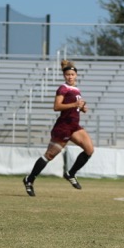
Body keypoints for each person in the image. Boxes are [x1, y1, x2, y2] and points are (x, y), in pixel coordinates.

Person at [22, 60, 94, 196]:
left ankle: (70, 173)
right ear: (64, 76)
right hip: (64, 127)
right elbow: (57, 106)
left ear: (76, 75)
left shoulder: (76, 89)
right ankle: (29, 179)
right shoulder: (63, 88)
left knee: (89, 150)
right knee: (49, 156)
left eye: (72, 74)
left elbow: (75, 106)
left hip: (74, 126)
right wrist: (74, 105)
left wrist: (82, 108)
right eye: (68, 75)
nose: (70, 77)